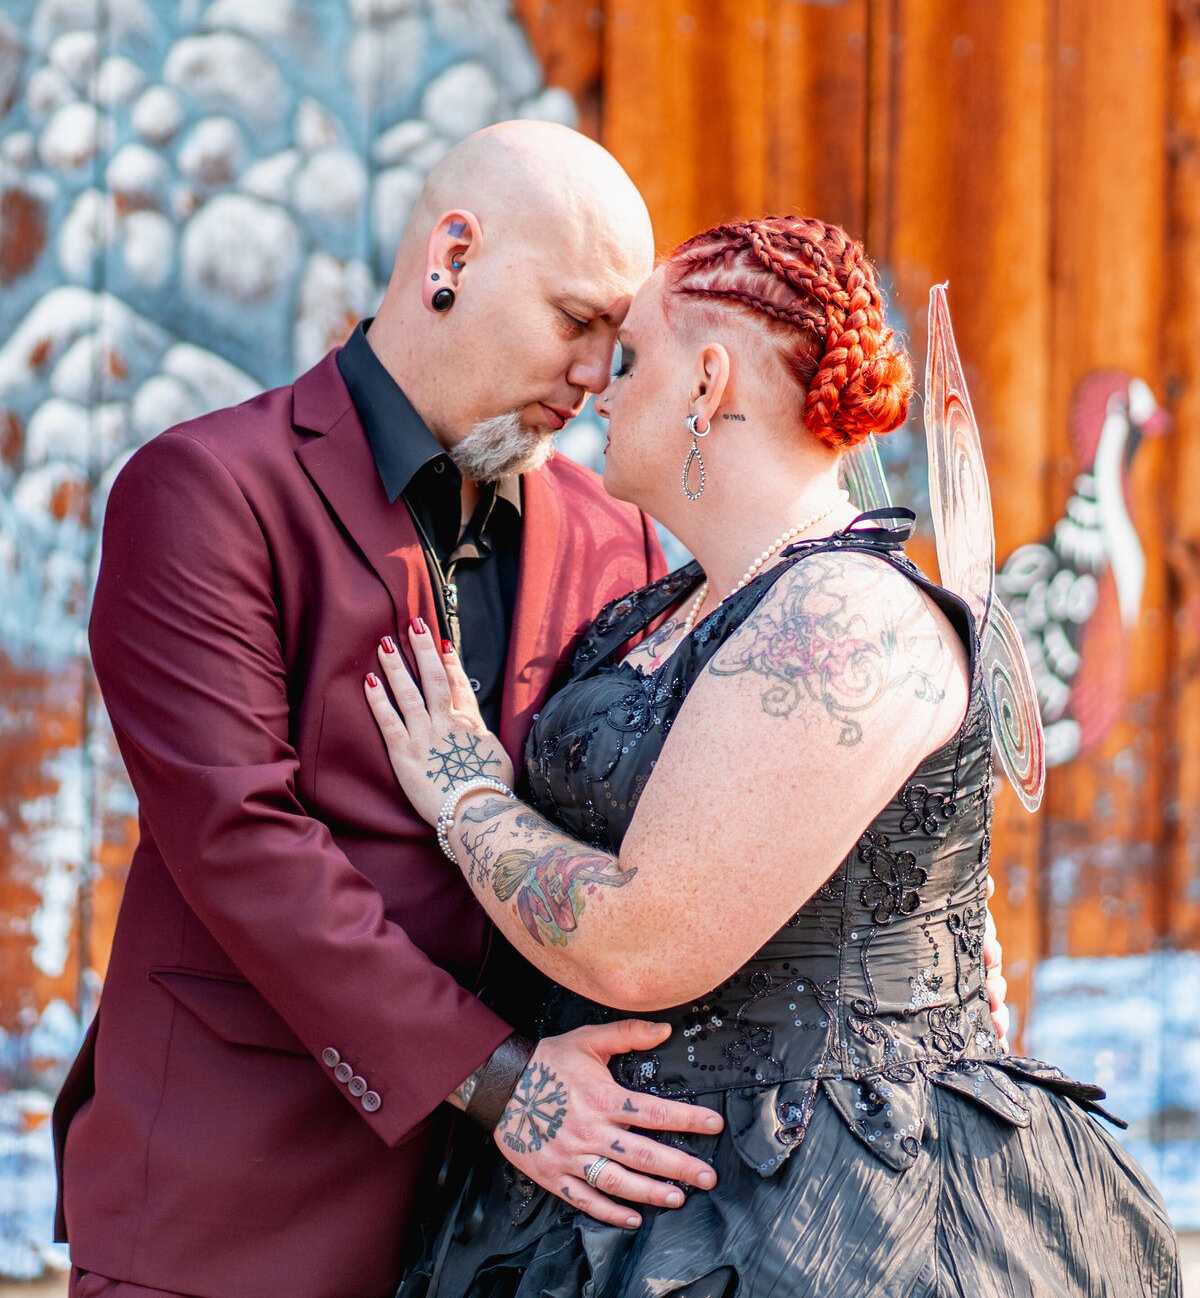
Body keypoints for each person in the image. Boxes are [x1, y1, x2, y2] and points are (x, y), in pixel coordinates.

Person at [366, 215, 1181, 1297]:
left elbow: (642, 942)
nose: (602, 393)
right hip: (619, 1190)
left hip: (831, 1211)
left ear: (707, 381)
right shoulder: (662, 607)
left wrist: (465, 794)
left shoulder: (849, 618)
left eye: (631, 360)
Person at [52, 121, 731, 1298]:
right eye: (575, 321)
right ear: (450, 257)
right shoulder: (205, 490)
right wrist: (505, 1082)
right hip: (234, 1199)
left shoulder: (613, 532)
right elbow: (242, 844)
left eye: (614, 346)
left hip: (510, 1239)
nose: (590, 378)